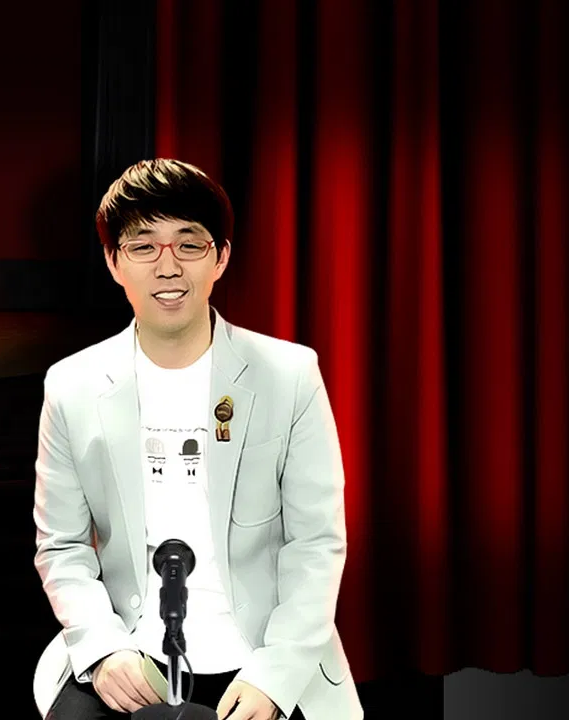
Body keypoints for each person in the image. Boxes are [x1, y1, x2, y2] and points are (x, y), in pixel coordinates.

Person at [30, 159, 363, 720]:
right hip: (130, 651)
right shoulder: (72, 385)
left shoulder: (289, 374)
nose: (168, 267)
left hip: (263, 656)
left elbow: (315, 543)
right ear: (114, 261)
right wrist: (104, 648)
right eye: (143, 246)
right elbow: (62, 547)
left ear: (221, 257)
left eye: (189, 244)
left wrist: (275, 675)